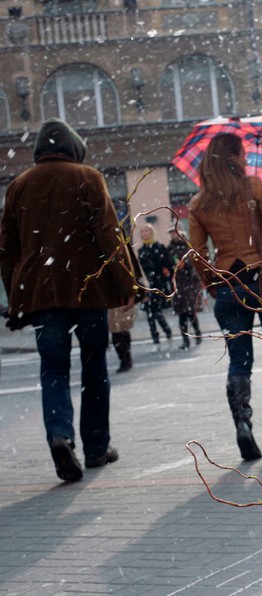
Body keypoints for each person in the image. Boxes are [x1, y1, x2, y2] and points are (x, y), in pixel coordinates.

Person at [0, 118, 136, 483]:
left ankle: (60, 435)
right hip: (87, 290)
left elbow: (8, 251)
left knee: (53, 369)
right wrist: (126, 284)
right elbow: (109, 235)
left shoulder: (18, 186)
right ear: (74, 149)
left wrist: (16, 299)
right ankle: (95, 448)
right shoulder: (88, 177)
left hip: (43, 296)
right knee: (95, 368)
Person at [188, 133, 262, 461]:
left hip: (229, 286)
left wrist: (212, 283)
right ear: (233, 155)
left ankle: (243, 424)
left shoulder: (199, 203)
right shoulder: (253, 187)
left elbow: (196, 253)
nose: (246, 158)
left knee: (239, 360)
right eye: (243, 153)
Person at [137, 223, 174, 351]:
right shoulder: (141, 251)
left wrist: (166, 278)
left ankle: (166, 333)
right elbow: (140, 271)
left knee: (155, 313)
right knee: (150, 314)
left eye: (146, 231)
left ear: (151, 232)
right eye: (142, 232)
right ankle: (156, 339)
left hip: (158, 286)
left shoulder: (159, 247)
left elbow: (168, 266)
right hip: (147, 286)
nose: (144, 234)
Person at [167, 228, 202, 350]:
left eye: (174, 232)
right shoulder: (170, 248)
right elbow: (167, 264)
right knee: (181, 314)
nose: (173, 235)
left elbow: (194, 261)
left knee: (191, 312)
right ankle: (185, 340)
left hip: (189, 283)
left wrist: (186, 265)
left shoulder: (188, 245)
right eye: (171, 233)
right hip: (178, 284)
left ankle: (197, 333)